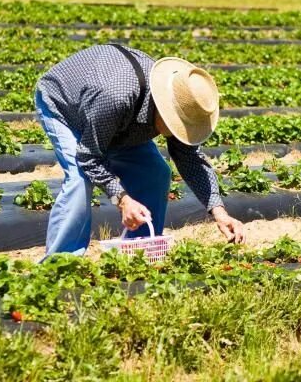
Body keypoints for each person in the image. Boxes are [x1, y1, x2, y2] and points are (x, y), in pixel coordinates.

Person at [34, 43, 245, 255]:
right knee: (80, 179)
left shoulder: (178, 104)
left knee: (156, 173)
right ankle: (60, 262)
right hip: (64, 104)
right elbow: (89, 157)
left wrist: (220, 213)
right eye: (177, 125)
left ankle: (140, 252)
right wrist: (122, 200)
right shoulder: (116, 97)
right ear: (163, 108)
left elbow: (189, 158)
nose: (178, 131)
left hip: (116, 119)